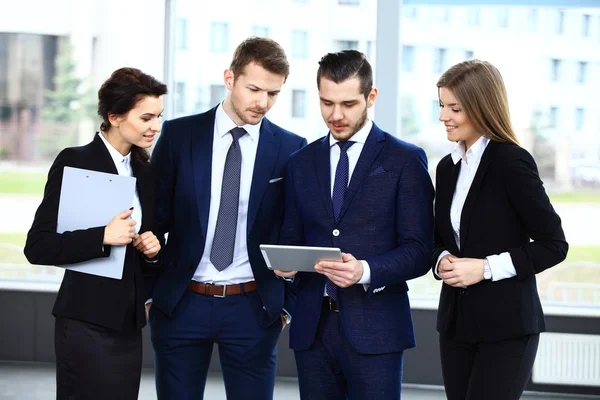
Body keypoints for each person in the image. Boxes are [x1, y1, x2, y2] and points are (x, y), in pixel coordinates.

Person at [148, 36, 307, 400]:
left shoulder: (290, 147)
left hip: (252, 307)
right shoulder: (178, 135)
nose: (263, 102)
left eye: (274, 93)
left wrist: (284, 307)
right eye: (254, 88)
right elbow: (152, 218)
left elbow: (293, 227)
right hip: (182, 303)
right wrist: (151, 295)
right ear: (229, 78)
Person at [275, 50, 434, 400]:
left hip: (376, 329)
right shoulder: (300, 162)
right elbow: (292, 236)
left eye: (348, 103)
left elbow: (421, 250)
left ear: (370, 97)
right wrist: (286, 267)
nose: (335, 114)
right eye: (326, 102)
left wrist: (365, 270)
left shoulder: (404, 160)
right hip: (312, 330)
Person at [24, 67, 166, 399]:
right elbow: (39, 246)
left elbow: (148, 254)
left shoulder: (147, 171)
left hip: (128, 327)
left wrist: (153, 251)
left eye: (159, 117)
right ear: (115, 117)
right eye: (146, 118)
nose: (156, 127)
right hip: (85, 324)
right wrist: (102, 235)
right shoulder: (75, 161)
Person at [432, 59, 569, 400]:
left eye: (454, 108)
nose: (443, 116)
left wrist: (486, 268)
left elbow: (554, 244)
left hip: (507, 328)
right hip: (455, 325)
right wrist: (442, 259)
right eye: (441, 106)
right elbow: (438, 238)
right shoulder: (446, 169)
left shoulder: (512, 162)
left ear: (480, 107)